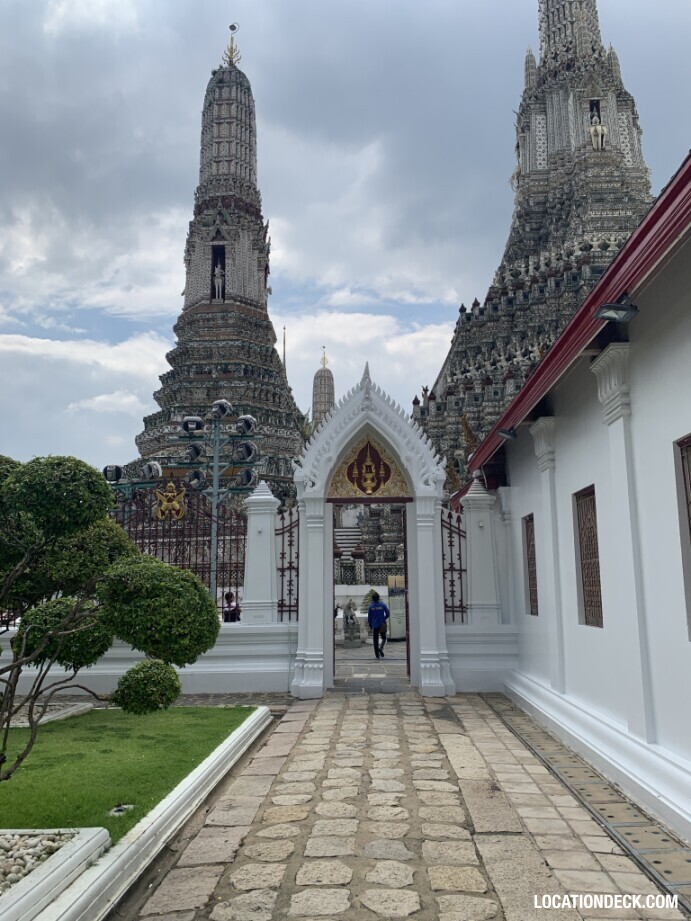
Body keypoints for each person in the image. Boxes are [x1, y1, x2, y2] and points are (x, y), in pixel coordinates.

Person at [367, 591, 390, 659]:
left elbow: (369, 618)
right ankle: (381, 647)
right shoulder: (382, 605)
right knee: (384, 638)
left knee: (375, 640)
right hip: (382, 624)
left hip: (375, 625)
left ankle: (377, 655)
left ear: (372, 598)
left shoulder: (370, 606)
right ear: (378, 598)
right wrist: (383, 618)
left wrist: (371, 625)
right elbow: (388, 614)